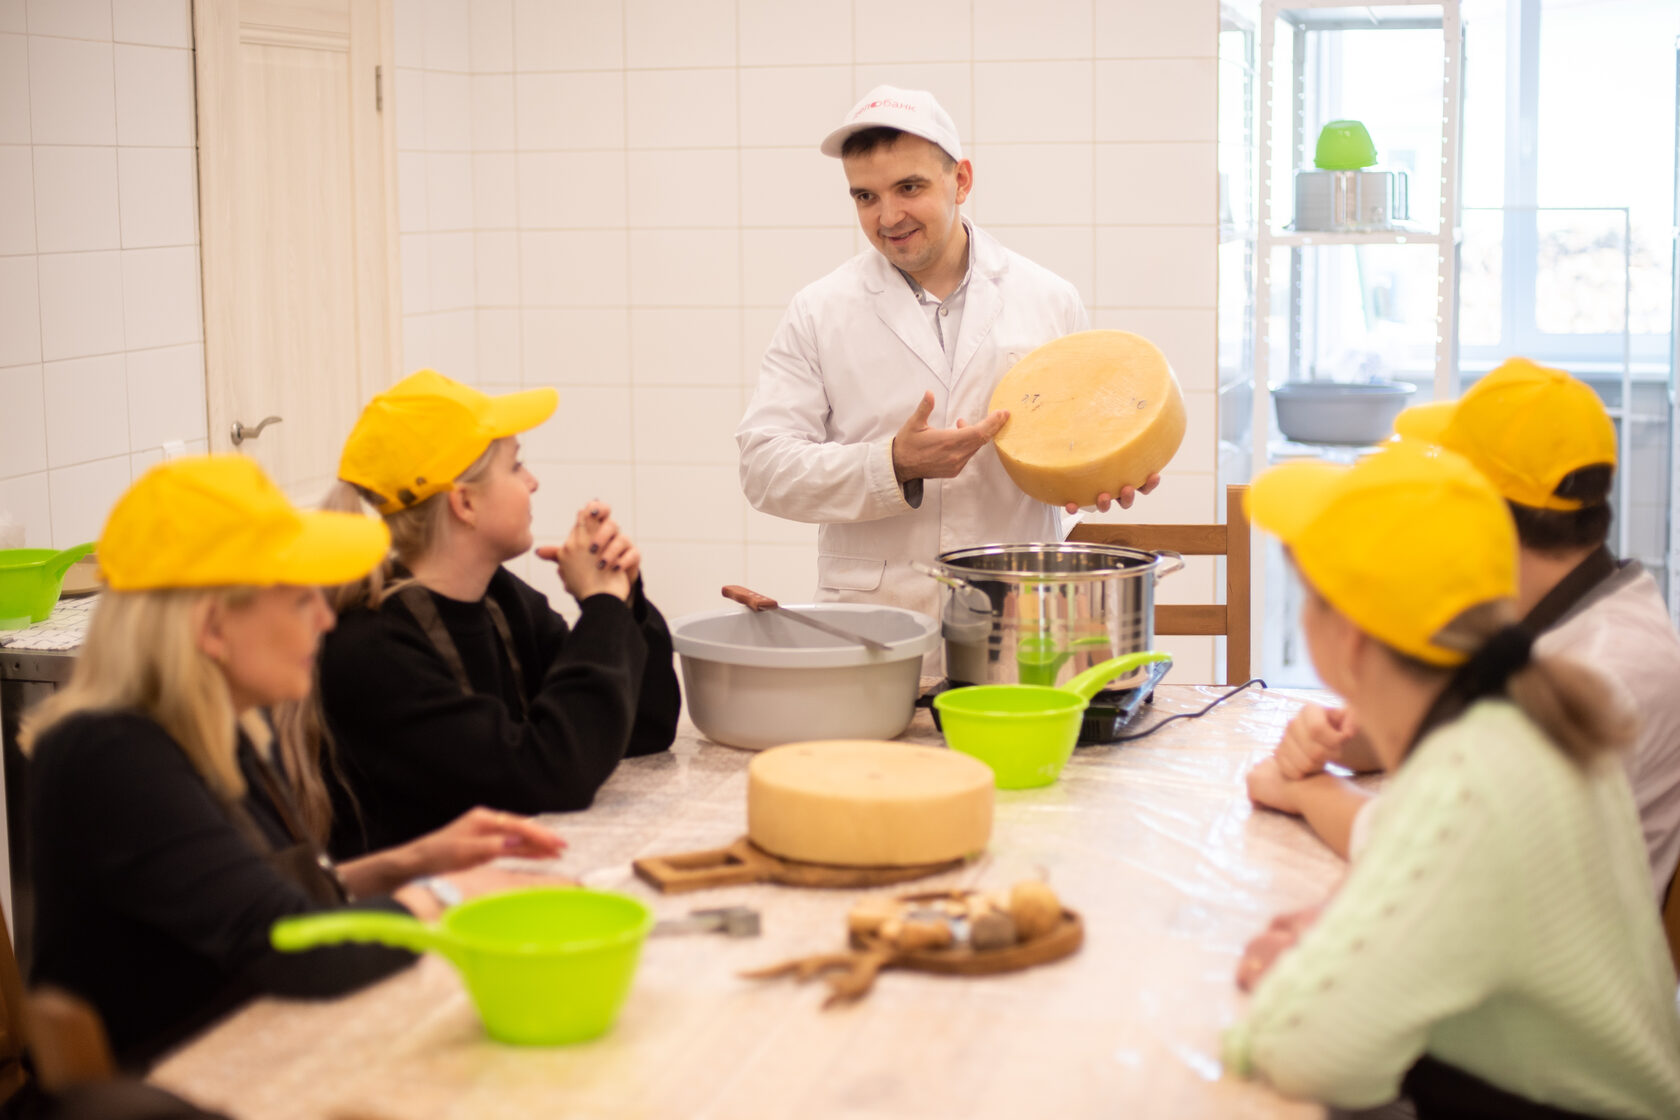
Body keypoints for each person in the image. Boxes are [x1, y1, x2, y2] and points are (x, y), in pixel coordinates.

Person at [22, 456, 564, 1067]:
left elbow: (271, 898)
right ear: (213, 627)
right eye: (301, 600)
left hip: (247, 1053)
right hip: (167, 1087)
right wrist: (445, 893)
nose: (328, 618)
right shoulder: (112, 758)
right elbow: (296, 946)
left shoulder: (222, 724)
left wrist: (413, 861)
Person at [1224, 441, 1680, 1120]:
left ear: (1348, 639)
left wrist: (1292, 974)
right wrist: (1346, 926)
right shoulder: (1523, 715)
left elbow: (1301, 1047)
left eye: (1309, 597)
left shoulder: (1471, 779)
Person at [1247, 358, 1680, 899]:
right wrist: (1345, 741)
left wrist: (1309, 794)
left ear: (1490, 513)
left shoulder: (1611, 666)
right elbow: (1449, 729)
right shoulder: (1547, 615)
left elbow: (1435, 855)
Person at [736, 85, 1158, 624]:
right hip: (877, 623)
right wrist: (892, 463)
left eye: (908, 187)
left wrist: (1104, 471)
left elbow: (1077, 438)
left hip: (1018, 615)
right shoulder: (818, 311)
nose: (887, 217)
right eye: (865, 196)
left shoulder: (1049, 300)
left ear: (961, 180)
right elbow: (763, 469)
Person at [316, 370, 680, 857]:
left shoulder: (498, 598)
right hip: (414, 916)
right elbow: (551, 774)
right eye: (516, 467)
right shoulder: (373, 648)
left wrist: (623, 598)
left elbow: (640, 729)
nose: (533, 482)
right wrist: (601, 607)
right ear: (464, 502)